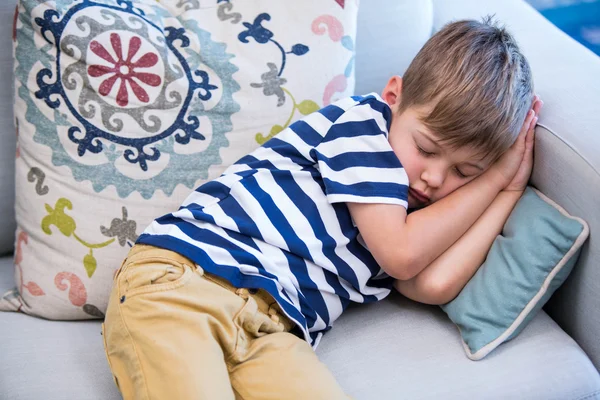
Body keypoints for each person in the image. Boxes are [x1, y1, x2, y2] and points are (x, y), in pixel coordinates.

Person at [102, 17, 544, 399]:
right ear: (394, 96)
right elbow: (402, 256)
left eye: (464, 172)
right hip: (187, 281)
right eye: (426, 149)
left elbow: (430, 282)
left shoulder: (412, 214)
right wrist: (493, 178)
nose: (434, 178)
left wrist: (504, 191)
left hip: (274, 327)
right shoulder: (363, 128)